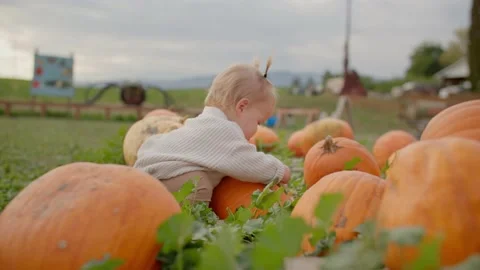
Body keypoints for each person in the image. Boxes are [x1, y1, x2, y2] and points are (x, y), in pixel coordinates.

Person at [133, 57, 291, 203]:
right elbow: (249, 163)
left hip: (151, 171)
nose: (257, 128)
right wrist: (280, 171)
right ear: (242, 107)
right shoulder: (222, 130)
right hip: (160, 176)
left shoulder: (205, 123)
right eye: (258, 121)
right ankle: (177, 217)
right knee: (198, 187)